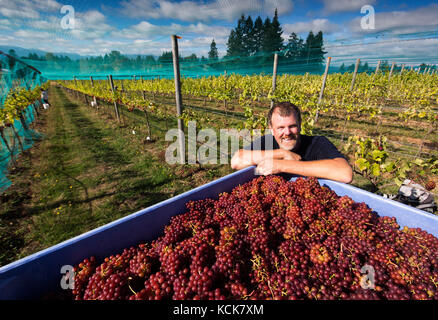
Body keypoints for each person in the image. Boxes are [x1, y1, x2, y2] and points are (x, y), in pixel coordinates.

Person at [231, 102, 353, 184]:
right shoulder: (267, 142)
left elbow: (345, 174)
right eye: (280, 128)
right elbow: (236, 161)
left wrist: (281, 165)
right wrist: (282, 154)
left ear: (300, 125)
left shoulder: (317, 143)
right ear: (272, 129)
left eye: (292, 126)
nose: (287, 132)